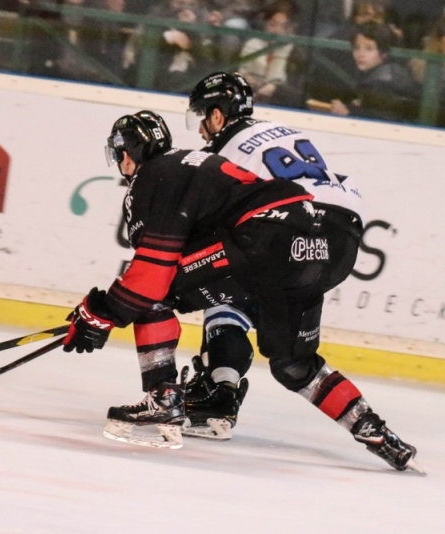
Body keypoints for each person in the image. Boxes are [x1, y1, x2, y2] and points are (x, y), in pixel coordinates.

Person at [181, 71, 421, 472]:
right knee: (293, 363)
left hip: (288, 233)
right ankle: (376, 431)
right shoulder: (279, 130)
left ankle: (217, 396)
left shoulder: (222, 152)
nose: (203, 130)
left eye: (203, 118)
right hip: (337, 242)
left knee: (206, 283)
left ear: (218, 116)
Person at [62, 109, 330, 451]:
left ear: (127, 153)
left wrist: (99, 313)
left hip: (255, 244)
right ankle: (219, 393)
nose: (120, 163)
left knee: (151, 296)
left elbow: (151, 275)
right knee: (205, 303)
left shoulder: (152, 179)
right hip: (297, 245)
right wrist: (107, 312)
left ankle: (165, 398)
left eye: (120, 155)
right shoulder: (193, 161)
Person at [324, 22, 420, 122]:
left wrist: (347, 114)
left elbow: (381, 125)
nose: (360, 54)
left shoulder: (381, 84)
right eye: (357, 48)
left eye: (369, 49)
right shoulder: (393, 72)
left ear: (383, 53)